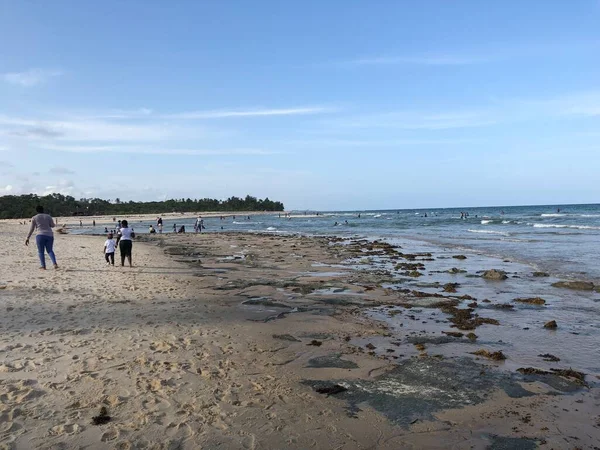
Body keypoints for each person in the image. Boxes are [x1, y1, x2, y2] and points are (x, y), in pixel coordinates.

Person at [25, 205, 58, 270]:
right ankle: (54, 263)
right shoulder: (48, 216)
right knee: (50, 250)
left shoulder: (34, 217)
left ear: (37, 211)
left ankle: (43, 266)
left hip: (40, 235)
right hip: (49, 235)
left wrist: (27, 237)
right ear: (43, 210)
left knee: (41, 251)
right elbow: (52, 225)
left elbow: (32, 228)